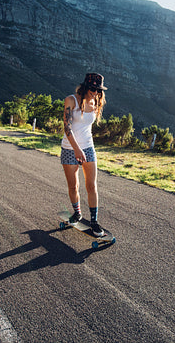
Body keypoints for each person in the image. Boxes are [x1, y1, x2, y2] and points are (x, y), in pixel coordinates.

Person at [61, 73, 107, 236]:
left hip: (88, 147)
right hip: (69, 148)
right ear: (86, 86)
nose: (96, 93)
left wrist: (82, 148)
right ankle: (77, 212)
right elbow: (67, 128)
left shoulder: (96, 101)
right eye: (93, 89)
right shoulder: (71, 100)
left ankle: (94, 221)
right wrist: (76, 149)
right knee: (74, 186)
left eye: (99, 90)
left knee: (91, 185)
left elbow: (87, 127)